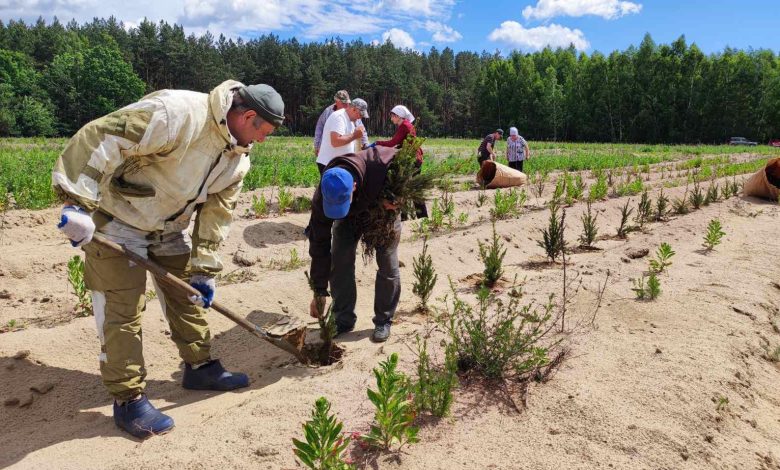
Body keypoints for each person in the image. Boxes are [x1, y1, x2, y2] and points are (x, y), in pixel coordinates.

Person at [52, 80, 285, 439]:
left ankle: (200, 366)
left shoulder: (238, 158)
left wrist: (204, 268)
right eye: (264, 131)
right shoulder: (176, 114)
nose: (263, 140)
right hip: (119, 221)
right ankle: (128, 399)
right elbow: (102, 136)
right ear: (249, 116)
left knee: (186, 297)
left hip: (167, 228)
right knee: (121, 312)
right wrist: (76, 202)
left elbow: (216, 211)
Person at [307, 146, 401, 343]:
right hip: (350, 216)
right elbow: (319, 244)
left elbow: (413, 159)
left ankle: (383, 320)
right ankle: (343, 319)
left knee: (387, 262)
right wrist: (319, 291)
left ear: (354, 187)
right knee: (339, 258)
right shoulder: (323, 196)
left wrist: (396, 195)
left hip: (382, 210)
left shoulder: (380, 163)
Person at [373, 105, 427, 218]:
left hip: (412, 160)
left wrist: (377, 143)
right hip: (413, 159)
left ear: (398, 116)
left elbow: (394, 143)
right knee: (409, 187)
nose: (391, 119)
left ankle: (415, 216)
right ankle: (415, 216)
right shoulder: (406, 125)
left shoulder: (404, 126)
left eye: (392, 116)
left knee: (407, 187)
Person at [316, 98, 369, 174]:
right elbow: (335, 142)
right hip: (330, 164)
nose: (360, 118)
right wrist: (354, 135)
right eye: (360, 114)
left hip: (338, 164)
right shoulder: (339, 117)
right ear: (353, 109)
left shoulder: (350, 121)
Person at [313, 90, 369, 159]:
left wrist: (366, 144)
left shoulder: (352, 112)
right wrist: (317, 146)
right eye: (343, 103)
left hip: (345, 155)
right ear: (336, 102)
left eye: (347, 103)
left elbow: (361, 130)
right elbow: (319, 128)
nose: (346, 105)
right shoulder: (328, 112)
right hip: (329, 154)